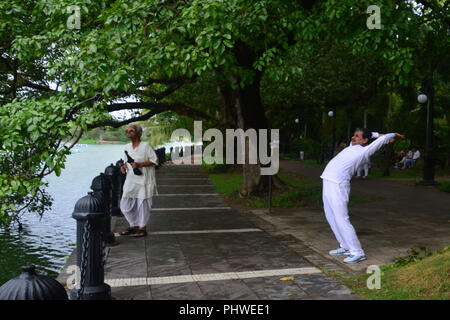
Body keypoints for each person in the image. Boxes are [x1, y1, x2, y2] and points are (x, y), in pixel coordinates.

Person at [320, 128, 404, 263]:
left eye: (357, 136)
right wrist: (376, 134)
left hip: (338, 185)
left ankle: (357, 252)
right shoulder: (350, 147)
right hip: (328, 181)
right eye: (354, 135)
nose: (353, 137)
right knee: (330, 217)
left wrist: (392, 135)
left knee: (341, 219)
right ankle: (345, 246)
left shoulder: (363, 152)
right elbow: (370, 135)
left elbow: (380, 141)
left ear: (365, 141)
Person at [119, 124, 158, 237]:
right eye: (128, 131)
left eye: (132, 131)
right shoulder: (126, 147)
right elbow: (125, 162)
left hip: (144, 179)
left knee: (143, 204)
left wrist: (140, 164)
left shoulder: (146, 146)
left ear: (139, 133)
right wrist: (123, 167)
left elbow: (154, 160)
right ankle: (134, 225)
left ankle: (142, 228)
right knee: (124, 204)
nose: (129, 132)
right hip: (131, 179)